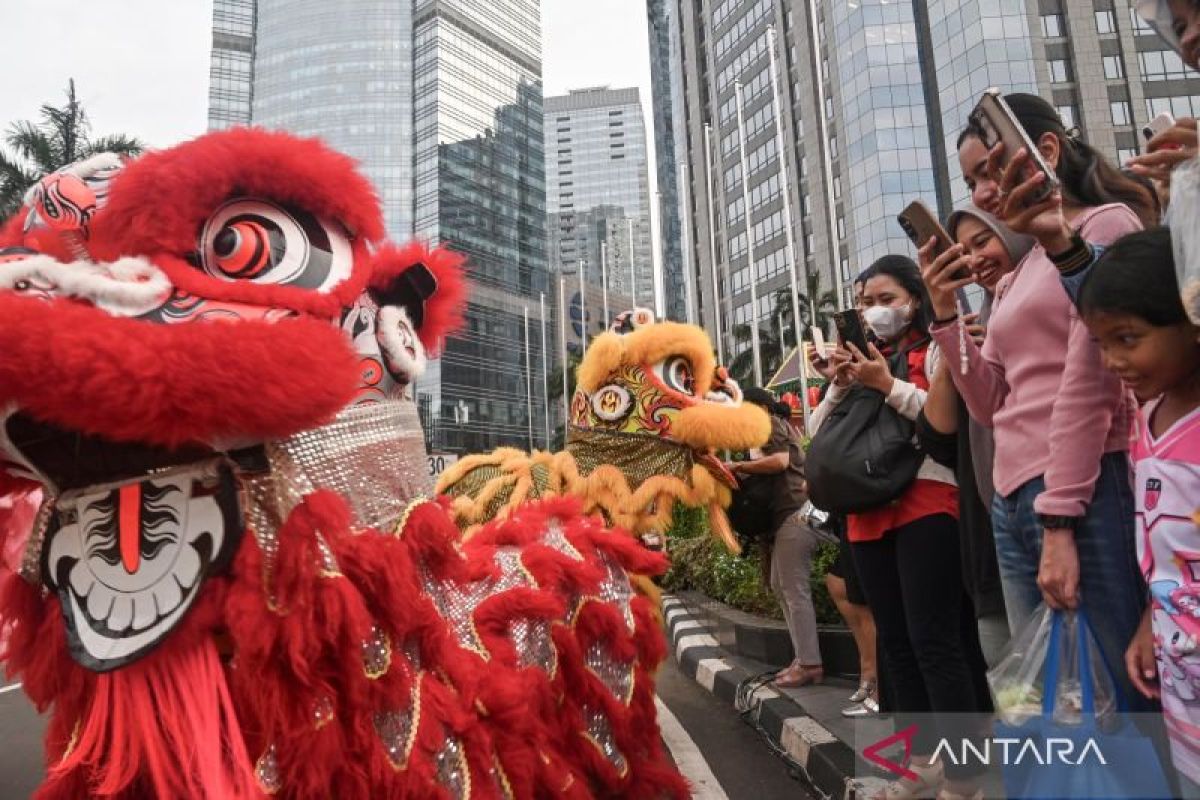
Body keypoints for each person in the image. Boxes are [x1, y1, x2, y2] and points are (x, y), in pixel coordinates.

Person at [923, 95, 1148, 711]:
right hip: (1013, 500)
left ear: (1046, 152)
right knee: (1052, 700)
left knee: (1116, 695)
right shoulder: (1017, 275)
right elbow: (991, 402)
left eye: (989, 171)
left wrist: (1059, 517)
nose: (983, 193)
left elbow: (1091, 381)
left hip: (1085, 487)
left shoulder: (1105, 227)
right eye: (972, 181)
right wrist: (946, 315)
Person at [812, 256, 989, 800]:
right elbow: (819, 437)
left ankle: (965, 780)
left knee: (935, 641)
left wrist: (886, 383)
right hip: (867, 515)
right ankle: (916, 765)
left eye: (885, 299)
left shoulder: (937, 346)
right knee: (895, 645)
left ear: (914, 296)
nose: (874, 311)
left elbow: (943, 422)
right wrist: (842, 386)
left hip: (927, 501)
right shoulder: (867, 360)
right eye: (865, 302)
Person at [1076, 229, 1200, 797]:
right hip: (1182, 691)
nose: (1114, 361)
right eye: (1102, 343)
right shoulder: (1146, 420)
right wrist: (1151, 621)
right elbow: (1165, 554)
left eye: (1129, 337)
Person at [944, 207, 1034, 656]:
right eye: (964, 252)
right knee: (1021, 670)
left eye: (984, 241)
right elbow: (980, 408)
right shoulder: (980, 313)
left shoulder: (1047, 298)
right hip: (997, 503)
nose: (975, 259)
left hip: (1053, 498)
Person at [732, 387, 823, 688]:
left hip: (794, 513)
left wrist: (738, 467)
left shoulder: (769, 424)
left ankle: (809, 664)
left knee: (793, 588)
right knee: (780, 586)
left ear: (758, 407)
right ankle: (802, 658)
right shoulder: (762, 432)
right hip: (786, 517)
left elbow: (780, 462)